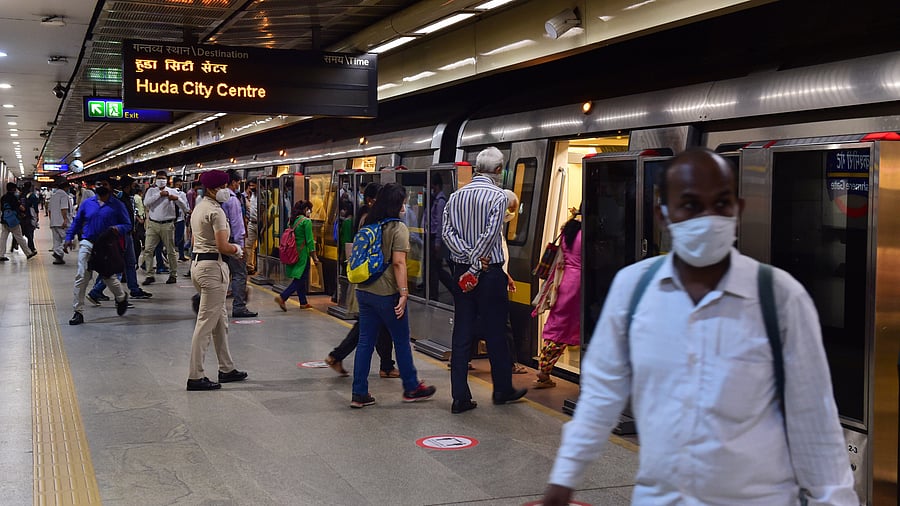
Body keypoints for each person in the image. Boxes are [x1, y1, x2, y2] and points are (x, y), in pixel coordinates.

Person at [542, 148, 856, 505]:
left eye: (720, 203)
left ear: (738, 209)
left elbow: (814, 417)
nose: (708, 217)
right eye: (690, 205)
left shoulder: (779, 297)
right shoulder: (634, 290)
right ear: (663, 215)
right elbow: (602, 394)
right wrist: (565, 478)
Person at [441, 146, 526, 414]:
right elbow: (491, 235)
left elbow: (446, 233)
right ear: (499, 170)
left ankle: (460, 397)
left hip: (461, 272)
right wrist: (478, 264)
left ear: (477, 167)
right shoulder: (498, 197)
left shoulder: (456, 196)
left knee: (462, 333)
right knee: (496, 332)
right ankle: (502, 389)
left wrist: (466, 259)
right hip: (489, 275)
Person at [350, 183, 436, 408]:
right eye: (403, 202)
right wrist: (404, 293)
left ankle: (359, 393)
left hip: (364, 291)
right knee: (401, 341)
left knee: (365, 342)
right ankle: (411, 387)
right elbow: (399, 263)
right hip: (387, 294)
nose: (405, 206)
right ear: (397, 204)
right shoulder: (398, 228)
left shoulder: (369, 222)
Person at [325, 182, 398, 379]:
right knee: (368, 327)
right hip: (372, 281)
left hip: (367, 280)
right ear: (371, 200)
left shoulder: (367, 218)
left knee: (379, 327)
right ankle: (338, 356)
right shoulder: (372, 220)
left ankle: (386, 365)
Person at [186, 169, 248, 391]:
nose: (227, 191)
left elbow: (194, 239)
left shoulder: (198, 208)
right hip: (213, 268)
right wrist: (237, 249)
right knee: (205, 324)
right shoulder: (216, 212)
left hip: (198, 265)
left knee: (220, 320)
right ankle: (195, 376)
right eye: (223, 187)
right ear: (213, 189)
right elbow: (223, 246)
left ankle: (227, 368)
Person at [64, 175, 131, 326]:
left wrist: (117, 228)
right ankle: (78, 312)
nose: (101, 186)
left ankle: (121, 297)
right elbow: (77, 222)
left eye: (104, 184)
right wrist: (69, 237)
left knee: (108, 276)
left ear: (110, 187)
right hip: (87, 242)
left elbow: (128, 225)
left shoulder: (118, 205)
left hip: (106, 246)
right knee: (82, 276)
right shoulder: (87, 204)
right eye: (98, 184)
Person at [530, 209, 581, 388]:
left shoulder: (569, 230)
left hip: (563, 281)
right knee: (565, 329)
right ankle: (544, 371)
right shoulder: (587, 234)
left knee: (558, 325)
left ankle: (544, 369)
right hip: (578, 284)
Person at [87, 176, 152, 303]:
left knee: (129, 263)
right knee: (116, 266)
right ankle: (96, 291)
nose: (135, 188)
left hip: (127, 235)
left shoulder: (126, 199)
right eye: (133, 186)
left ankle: (134, 289)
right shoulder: (117, 200)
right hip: (120, 237)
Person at [140, 170, 188, 285]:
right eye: (159, 178)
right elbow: (146, 203)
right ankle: (149, 274)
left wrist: (176, 199)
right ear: (155, 179)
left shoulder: (173, 191)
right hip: (153, 224)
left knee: (170, 251)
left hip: (168, 224)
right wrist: (159, 195)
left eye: (163, 178)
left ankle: (173, 274)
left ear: (167, 180)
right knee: (148, 250)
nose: (161, 180)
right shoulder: (151, 191)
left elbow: (184, 207)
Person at [223, 170, 257, 318]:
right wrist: (240, 247)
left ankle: (203, 302)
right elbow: (236, 225)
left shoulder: (218, 198)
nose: (238, 186)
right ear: (233, 182)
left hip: (220, 241)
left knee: (221, 275)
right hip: (232, 243)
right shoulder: (232, 200)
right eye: (237, 183)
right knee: (239, 274)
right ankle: (239, 306)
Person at [274, 200, 319, 311]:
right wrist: (314, 256)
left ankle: (303, 302)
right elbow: (310, 241)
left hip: (293, 253)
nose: (310, 212)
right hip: (303, 254)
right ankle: (283, 296)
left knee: (299, 277)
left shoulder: (292, 220)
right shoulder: (306, 222)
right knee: (301, 278)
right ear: (305, 210)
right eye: (309, 209)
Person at [0, 182, 36, 261]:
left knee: (3, 238)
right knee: (19, 237)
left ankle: (1, 255)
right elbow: (20, 208)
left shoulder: (3, 197)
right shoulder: (14, 198)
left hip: (4, 220)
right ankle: (28, 253)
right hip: (13, 221)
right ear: (13, 189)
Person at [48, 178, 73, 264]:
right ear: (65, 187)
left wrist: (51, 221)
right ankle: (58, 252)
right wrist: (65, 219)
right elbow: (64, 208)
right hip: (62, 222)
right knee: (69, 238)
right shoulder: (64, 196)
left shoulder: (53, 196)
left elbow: (49, 211)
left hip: (54, 222)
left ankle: (58, 258)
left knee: (57, 240)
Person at [243, 179, 258, 275]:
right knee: (249, 245)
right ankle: (249, 266)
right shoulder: (252, 196)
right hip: (251, 223)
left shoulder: (262, 195)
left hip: (260, 223)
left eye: (253, 186)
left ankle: (258, 266)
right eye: (250, 186)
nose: (252, 188)